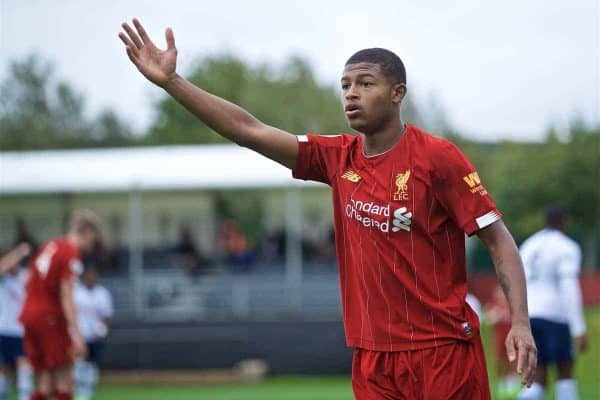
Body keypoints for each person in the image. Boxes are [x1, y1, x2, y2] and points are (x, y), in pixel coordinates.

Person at [118, 20, 537, 399]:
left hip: (441, 351)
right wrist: (172, 82)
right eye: (345, 85)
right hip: (373, 360)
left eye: (366, 83)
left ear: (397, 93)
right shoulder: (338, 159)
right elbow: (248, 130)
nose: (352, 93)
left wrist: (520, 322)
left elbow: (499, 241)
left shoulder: (437, 159)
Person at [19, 210, 102, 400]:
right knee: (66, 380)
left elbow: (27, 281)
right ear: (87, 232)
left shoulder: (49, 245)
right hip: (50, 317)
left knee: (46, 385)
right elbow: (67, 295)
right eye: (93, 238)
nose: (92, 244)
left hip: (29, 316)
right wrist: (78, 334)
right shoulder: (70, 252)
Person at [517, 204, 588, 400]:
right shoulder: (567, 247)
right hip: (556, 315)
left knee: (537, 376)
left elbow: (519, 280)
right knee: (565, 374)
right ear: (565, 221)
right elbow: (568, 287)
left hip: (531, 314)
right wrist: (578, 327)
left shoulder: (530, 244)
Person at [73, 266, 113, 400]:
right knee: (78, 362)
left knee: (91, 363)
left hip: (94, 335)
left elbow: (106, 316)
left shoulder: (103, 294)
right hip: (78, 335)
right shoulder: (76, 292)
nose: (91, 278)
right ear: (84, 276)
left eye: (93, 275)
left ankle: (87, 391)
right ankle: (79, 389)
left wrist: (101, 330)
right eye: (88, 275)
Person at [0, 243, 34, 400]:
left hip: (21, 331)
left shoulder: (27, 276)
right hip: (3, 331)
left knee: (24, 367)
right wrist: (18, 252)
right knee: (3, 371)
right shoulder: (3, 279)